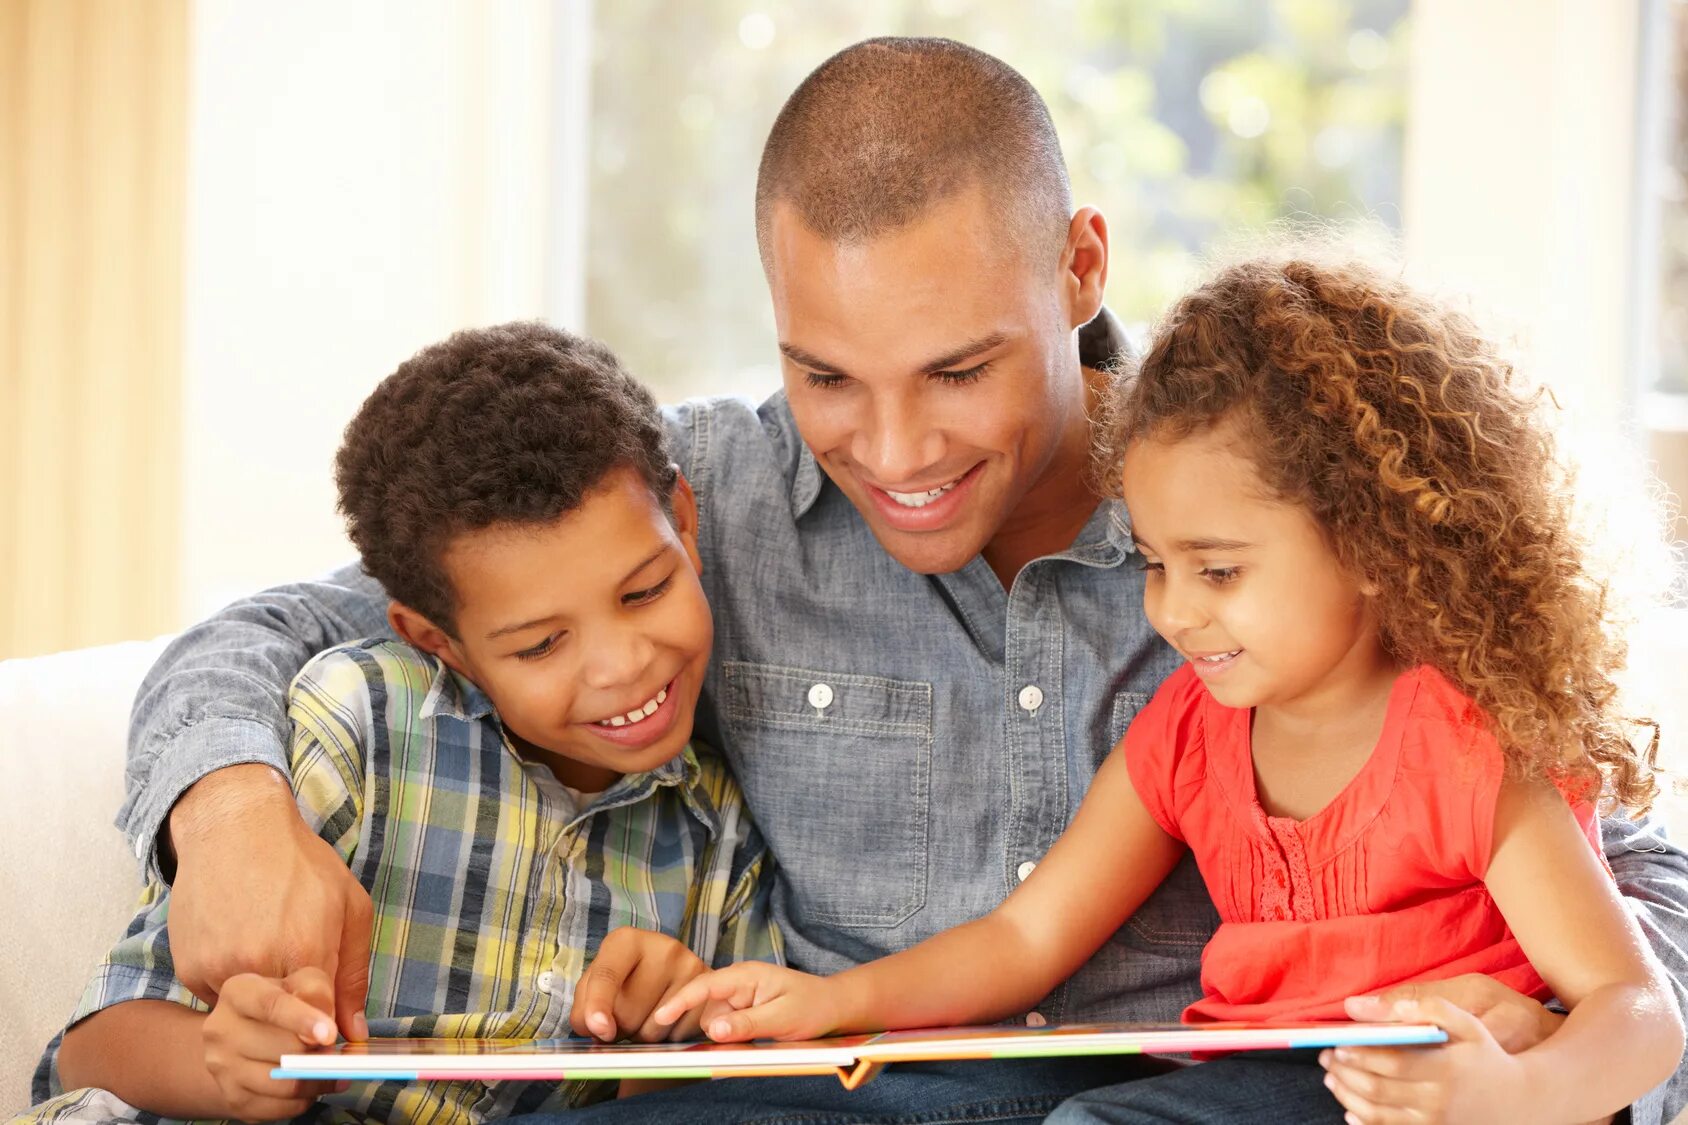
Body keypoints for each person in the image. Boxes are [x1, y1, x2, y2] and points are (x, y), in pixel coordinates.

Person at [109, 38, 1688, 1124]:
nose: (895, 447)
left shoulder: (1283, 508)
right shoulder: (688, 509)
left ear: (1077, 268)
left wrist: (1542, 1053)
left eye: (958, 368)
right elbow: (283, 624)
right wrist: (230, 808)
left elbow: (1630, 885)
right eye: (825, 373)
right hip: (850, 1086)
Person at [651, 252, 1685, 1124]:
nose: (1174, 611)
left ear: (1371, 546)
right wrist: (834, 1001)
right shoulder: (1184, 737)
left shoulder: (1460, 744)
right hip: (1246, 1085)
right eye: (1152, 562)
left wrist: (1515, 1093)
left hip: (1409, 1089)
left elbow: (1633, 1005)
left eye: (1218, 570)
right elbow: (1025, 936)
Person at [22, 323, 779, 1123]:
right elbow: (87, 1049)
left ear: (685, 525)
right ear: (437, 641)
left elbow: (710, 1100)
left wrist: (657, 1045)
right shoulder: (360, 720)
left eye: (644, 591)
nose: (622, 665)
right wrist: (227, 1069)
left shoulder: (716, 832)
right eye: (541, 643)